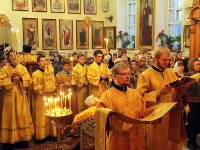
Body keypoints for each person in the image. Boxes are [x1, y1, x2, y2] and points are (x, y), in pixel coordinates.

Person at [137, 46, 188, 150]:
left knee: (172, 144)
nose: (167, 62)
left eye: (168, 60)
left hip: (173, 116)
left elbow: (177, 94)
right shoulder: (146, 75)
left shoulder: (171, 73)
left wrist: (182, 90)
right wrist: (159, 93)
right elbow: (140, 98)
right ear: (156, 58)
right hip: (157, 119)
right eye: (164, 59)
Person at [0, 50, 34, 150]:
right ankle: (9, 141)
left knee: (22, 116)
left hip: (20, 96)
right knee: (11, 117)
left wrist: (21, 78)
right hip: (9, 97)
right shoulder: (4, 69)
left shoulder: (22, 68)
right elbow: (1, 83)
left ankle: (23, 139)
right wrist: (10, 78)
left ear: (18, 57)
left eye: (15, 55)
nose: (14, 57)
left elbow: (29, 81)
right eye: (11, 56)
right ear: (8, 58)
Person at [32, 55, 56, 142]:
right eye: (42, 61)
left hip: (50, 96)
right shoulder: (35, 74)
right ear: (38, 63)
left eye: (45, 60)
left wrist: (51, 86)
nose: (44, 62)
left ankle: (51, 133)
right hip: (41, 98)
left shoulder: (50, 73)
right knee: (41, 116)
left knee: (50, 114)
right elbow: (35, 87)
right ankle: (41, 136)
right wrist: (45, 86)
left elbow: (53, 83)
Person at [55, 58, 79, 136]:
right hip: (63, 96)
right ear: (62, 66)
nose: (68, 67)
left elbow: (79, 84)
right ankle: (64, 132)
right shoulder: (59, 75)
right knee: (64, 112)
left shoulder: (73, 74)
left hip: (72, 96)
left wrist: (75, 83)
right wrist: (64, 84)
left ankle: (74, 130)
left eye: (69, 65)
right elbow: (56, 86)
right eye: (66, 65)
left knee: (74, 111)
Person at [185, 58, 200, 150]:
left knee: (197, 123)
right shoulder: (188, 76)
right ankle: (190, 142)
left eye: (199, 64)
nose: (198, 66)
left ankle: (194, 142)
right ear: (191, 65)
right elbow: (184, 91)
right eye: (196, 65)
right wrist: (186, 104)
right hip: (191, 103)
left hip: (199, 102)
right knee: (191, 124)